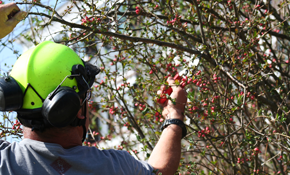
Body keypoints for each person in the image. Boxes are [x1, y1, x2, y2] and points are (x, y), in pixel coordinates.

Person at [0, 3, 187, 175]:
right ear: (74, 108)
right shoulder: (115, 167)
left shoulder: (5, 164)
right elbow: (161, 170)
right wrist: (174, 115)